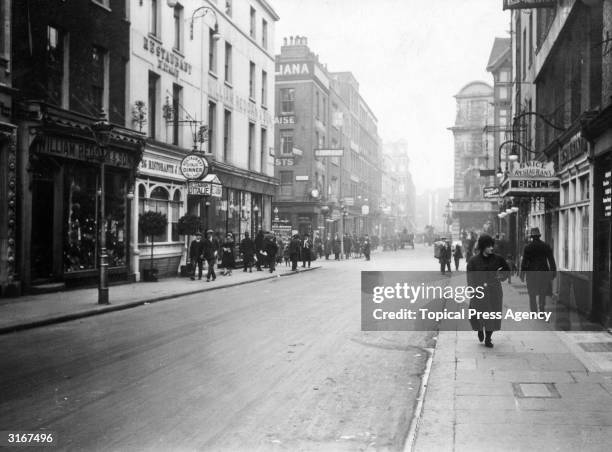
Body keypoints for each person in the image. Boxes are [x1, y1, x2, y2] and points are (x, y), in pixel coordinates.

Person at [467, 234, 510, 348]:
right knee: (478, 316)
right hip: (479, 293)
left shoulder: (498, 259)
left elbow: (507, 270)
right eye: (488, 246)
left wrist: (501, 277)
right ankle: (480, 330)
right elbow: (470, 278)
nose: (491, 248)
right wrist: (473, 291)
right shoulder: (473, 261)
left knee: (492, 315)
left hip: (494, 292)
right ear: (482, 247)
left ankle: (488, 338)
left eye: (492, 246)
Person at [520, 227, 557, 313]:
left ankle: (533, 311)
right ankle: (542, 310)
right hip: (543, 272)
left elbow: (524, 262)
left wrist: (522, 274)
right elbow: (551, 260)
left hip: (531, 274)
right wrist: (553, 272)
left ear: (532, 237)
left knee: (532, 294)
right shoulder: (546, 246)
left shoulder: (528, 247)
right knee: (542, 292)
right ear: (539, 236)